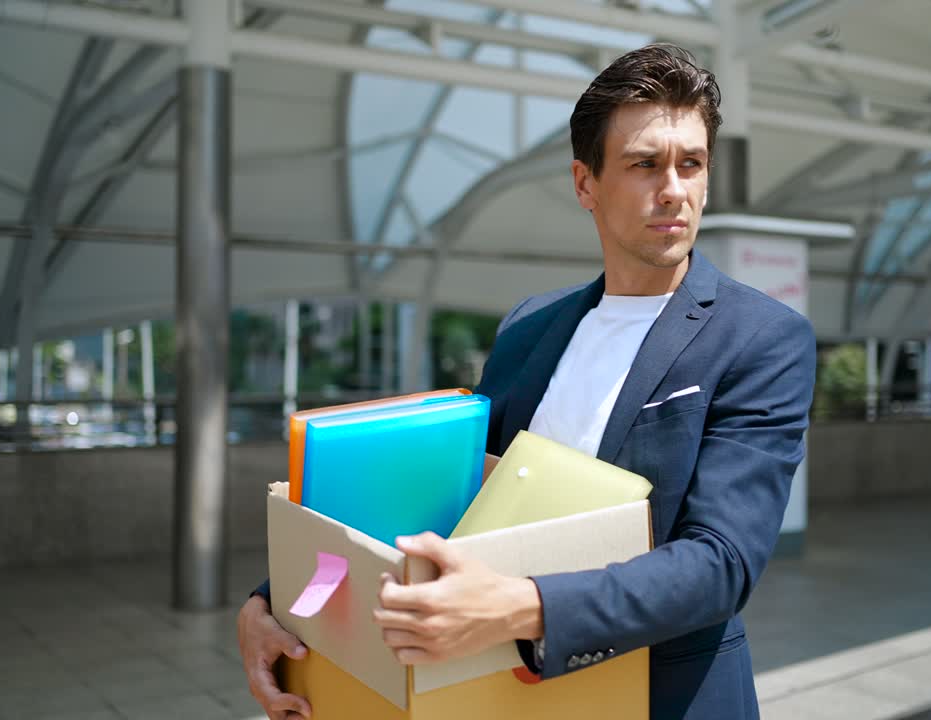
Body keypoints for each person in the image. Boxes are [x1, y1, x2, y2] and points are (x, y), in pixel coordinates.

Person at [237, 43, 816, 720]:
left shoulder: (761, 337)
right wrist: (272, 599)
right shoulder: (529, 326)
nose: (675, 189)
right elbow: (449, 494)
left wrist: (517, 608)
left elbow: (722, 564)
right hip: (503, 695)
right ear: (585, 184)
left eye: (691, 163)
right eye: (645, 164)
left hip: (666, 695)